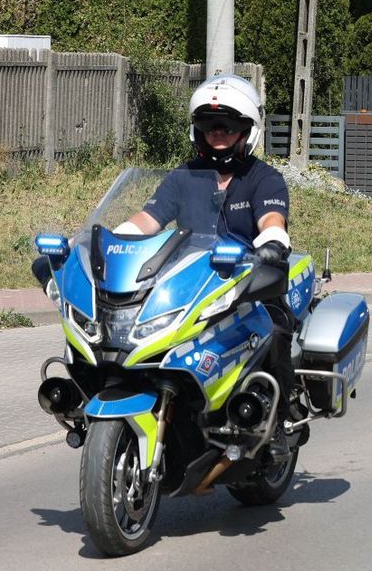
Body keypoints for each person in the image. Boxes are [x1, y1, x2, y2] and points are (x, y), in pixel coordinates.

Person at [116, 75, 297, 455]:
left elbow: (271, 222)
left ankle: (277, 424)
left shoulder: (264, 179)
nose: (218, 133)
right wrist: (109, 241)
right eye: (209, 125)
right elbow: (147, 220)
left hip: (248, 284)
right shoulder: (182, 177)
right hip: (191, 285)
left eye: (227, 125)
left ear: (246, 130)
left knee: (275, 327)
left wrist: (273, 244)